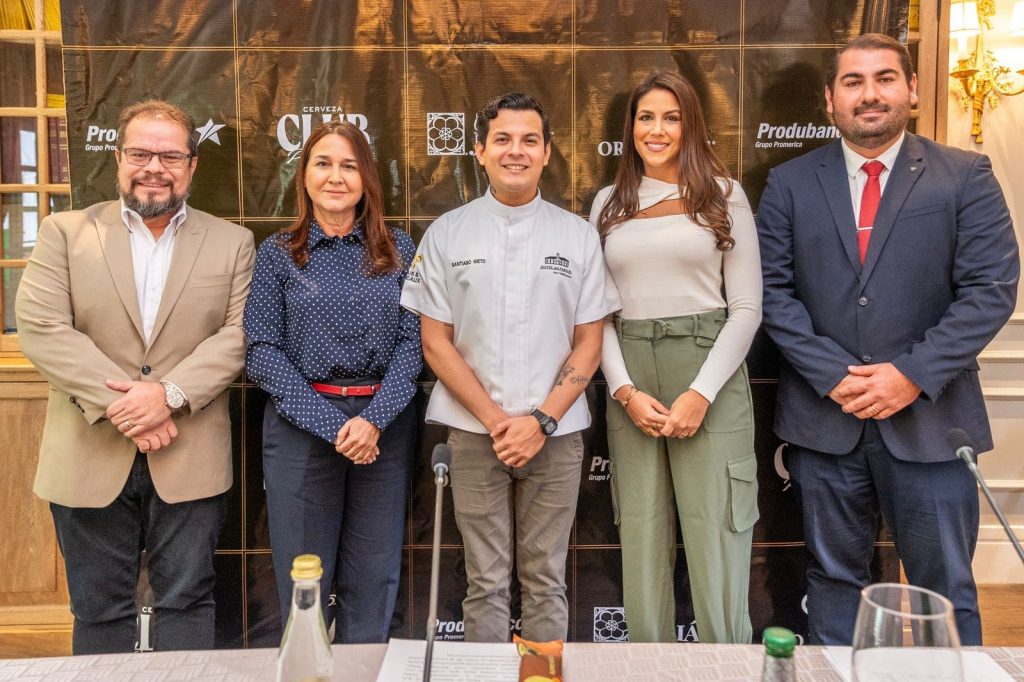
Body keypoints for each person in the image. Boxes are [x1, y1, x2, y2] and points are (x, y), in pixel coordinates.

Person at [757, 33, 1019, 645]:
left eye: (884, 78)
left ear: (912, 90)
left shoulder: (965, 175)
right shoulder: (789, 183)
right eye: (853, 81)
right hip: (826, 422)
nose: (869, 94)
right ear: (830, 99)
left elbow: (990, 291)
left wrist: (909, 376)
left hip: (931, 421)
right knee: (832, 582)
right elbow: (771, 292)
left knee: (944, 590)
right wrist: (836, 377)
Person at [15, 99, 255, 654]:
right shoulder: (64, 231)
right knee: (99, 610)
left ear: (192, 164)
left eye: (170, 156)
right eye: (141, 153)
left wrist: (167, 395)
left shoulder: (233, 242)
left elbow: (239, 335)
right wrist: (129, 406)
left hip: (189, 452)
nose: (154, 168)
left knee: (188, 602)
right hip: (87, 451)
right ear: (118, 158)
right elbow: (42, 327)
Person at [401, 92, 619, 642]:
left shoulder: (577, 235)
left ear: (547, 152)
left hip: (557, 436)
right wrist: (500, 422)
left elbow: (589, 343)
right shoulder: (447, 232)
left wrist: (540, 422)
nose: (515, 151)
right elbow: (435, 343)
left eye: (529, 140)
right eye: (502, 139)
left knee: (545, 582)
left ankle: (541, 680)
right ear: (479, 151)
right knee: (485, 584)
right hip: (476, 436)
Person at [591, 71, 762, 644]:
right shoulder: (607, 204)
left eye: (672, 117)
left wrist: (700, 394)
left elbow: (746, 308)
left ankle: (729, 670)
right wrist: (624, 391)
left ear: (691, 125)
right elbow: (596, 315)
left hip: (709, 371)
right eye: (646, 117)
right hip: (632, 379)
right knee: (641, 539)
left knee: (718, 539)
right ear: (630, 127)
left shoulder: (725, 195)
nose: (657, 129)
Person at [243, 121, 421, 643]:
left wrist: (371, 422)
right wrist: (333, 426)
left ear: (367, 178)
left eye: (349, 165)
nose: (336, 177)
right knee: (304, 580)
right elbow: (261, 350)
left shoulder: (400, 248)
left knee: (374, 577)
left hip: (382, 431)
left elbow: (414, 345)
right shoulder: (277, 253)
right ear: (304, 175)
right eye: (323, 163)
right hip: (302, 428)